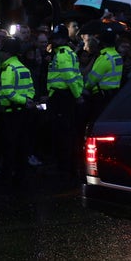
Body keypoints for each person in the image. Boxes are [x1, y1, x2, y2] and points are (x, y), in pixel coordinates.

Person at [44, 25, 83, 180]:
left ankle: (65, 166)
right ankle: (67, 165)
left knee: (63, 133)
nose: (55, 41)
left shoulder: (62, 54)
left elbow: (69, 77)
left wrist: (76, 94)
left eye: (57, 38)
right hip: (64, 95)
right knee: (66, 132)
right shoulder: (67, 53)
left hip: (62, 96)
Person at [0, 37, 35, 185]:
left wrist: (23, 101)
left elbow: (8, 92)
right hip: (24, 113)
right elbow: (31, 89)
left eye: (3, 52)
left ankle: (6, 176)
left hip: (10, 113)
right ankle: (21, 174)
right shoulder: (23, 68)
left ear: (7, 53)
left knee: (9, 146)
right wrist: (28, 100)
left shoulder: (8, 69)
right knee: (22, 145)